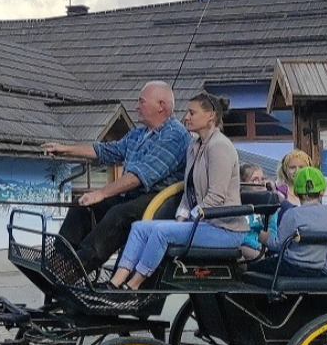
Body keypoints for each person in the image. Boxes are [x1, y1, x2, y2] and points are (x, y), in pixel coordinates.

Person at [103, 92, 247, 290]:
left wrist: (189, 219)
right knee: (139, 228)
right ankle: (115, 283)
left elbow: (216, 196)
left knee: (161, 232)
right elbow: (189, 190)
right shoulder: (194, 147)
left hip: (223, 229)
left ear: (210, 116)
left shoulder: (220, 146)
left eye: (192, 113)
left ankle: (134, 286)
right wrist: (181, 215)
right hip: (202, 223)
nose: (186, 117)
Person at [42, 81, 189, 271]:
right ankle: (59, 260)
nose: (136, 106)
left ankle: (77, 267)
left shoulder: (175, 135)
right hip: (134, 196)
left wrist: (101, 193)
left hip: (160, 201)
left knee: (118, 214)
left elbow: (139, 176)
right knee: (83, 205)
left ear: (161, 106)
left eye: (141, 101)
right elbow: (107, 151)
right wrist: (65, 149)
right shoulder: (139, 134)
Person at [249, 167, 327, 277]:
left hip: (291, 267)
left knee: (252, 269)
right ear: (322, 191)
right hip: (317, 270)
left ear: (296, 192)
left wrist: (265, 238)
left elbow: (278, 245)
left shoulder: (292, 214)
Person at [238, 163, 268, 261]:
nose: (260, 184)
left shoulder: (265, 205)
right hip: (242, 243)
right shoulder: (239, 205)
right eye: (255, 180)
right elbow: (240, 235)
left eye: (262, 179)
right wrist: (256, 245)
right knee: (259, 257)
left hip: (258, 243)